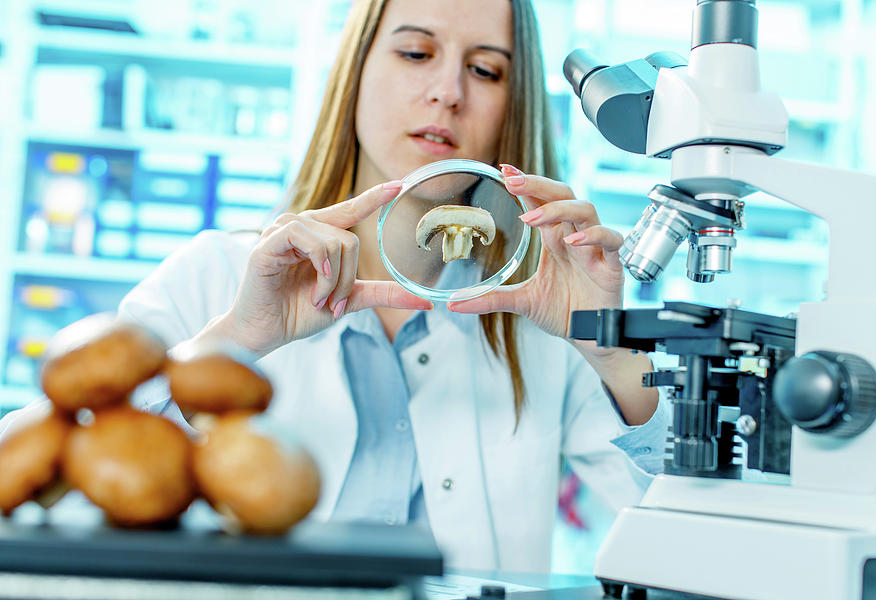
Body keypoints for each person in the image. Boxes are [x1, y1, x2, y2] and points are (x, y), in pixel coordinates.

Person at [0, 0, 669, 572]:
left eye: (485, 69)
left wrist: (612, 351)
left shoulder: (542, 317)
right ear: (356, 71)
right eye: (415, 53)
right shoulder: (215, 278)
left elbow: (685, 535)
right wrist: (239, 339)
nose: (447, 91)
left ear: (510, 108)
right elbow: (47, 492)